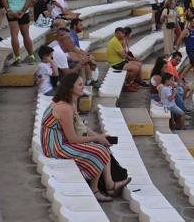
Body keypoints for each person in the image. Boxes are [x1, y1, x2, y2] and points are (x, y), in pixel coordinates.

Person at [40, 73, 131, 202]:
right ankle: (97, 190)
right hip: (55, 147)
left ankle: (109, 185)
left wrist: (99, 137)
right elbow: (72, 139)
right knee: (99, 150)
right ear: (71, 88)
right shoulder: (64, 108)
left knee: (102, 147)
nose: (83, 87)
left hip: (62, 141)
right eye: (80, 85)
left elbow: (81, 127)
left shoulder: (70, 102)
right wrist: (96, 139)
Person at [2, 0, 36, 65]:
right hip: (23, 12)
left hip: (11, 11)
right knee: (26, 34)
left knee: (14, 35)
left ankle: (17, 58)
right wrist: (23, 10)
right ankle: (31, 56)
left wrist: (8, 10)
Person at [106, 27, 143, 91]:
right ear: (117, 33)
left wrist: (133, 59)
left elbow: (125, 53)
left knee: (139, 64)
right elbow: (124, 56)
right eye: (122, 33)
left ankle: (134, 81)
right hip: (116, 64)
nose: (123, 35)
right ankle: (127, 85)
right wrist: (133, 59)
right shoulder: (115, 42)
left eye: (123, 33)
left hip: (120, 62)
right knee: (135, 68)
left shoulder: (116, 40)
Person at [175, 19, 194, 83]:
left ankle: (181, 77)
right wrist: (177, 48)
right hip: (190, 50)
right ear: (190, 22)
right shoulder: (186, 31)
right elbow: (180, 38)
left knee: (191, 64)